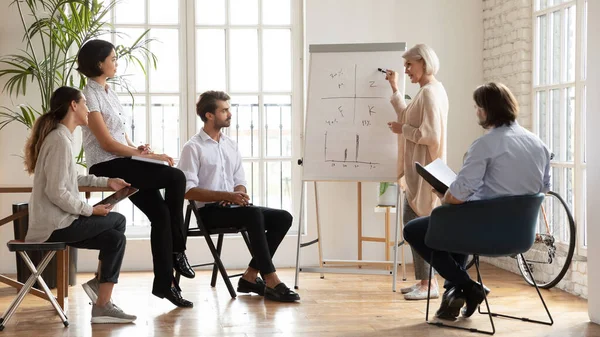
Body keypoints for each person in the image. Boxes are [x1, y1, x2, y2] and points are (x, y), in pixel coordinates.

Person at [403, 82, 551, 320]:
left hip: (484, 233)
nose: (476, 112)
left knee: (414, 230)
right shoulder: (539, 144)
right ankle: (454, 293)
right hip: (520, 235)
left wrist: (445, 195)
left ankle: (469, 287)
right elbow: (542, 189)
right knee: (454, 223)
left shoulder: (485, 145)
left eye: (477, 107)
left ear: (486, 110)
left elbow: (459, 195)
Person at [77, 39, 194, 308]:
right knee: (175, 176)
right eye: (113, 59)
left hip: (123, 160)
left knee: (161, 215)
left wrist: (138, 148)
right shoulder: (89, 95)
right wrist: (147, 156)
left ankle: (165, 285)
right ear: (99, 63)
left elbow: (121, 139)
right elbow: (106, 144)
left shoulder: (110, 93)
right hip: (106, 164)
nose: (117, 63)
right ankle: (178, 249)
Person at [24, 86, 137, 324]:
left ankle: (102, 302)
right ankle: (101, 293)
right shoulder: (59, 140)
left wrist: (108, 182)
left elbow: (72, 180)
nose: (88, 109)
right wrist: (91, 210)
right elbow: (56, 192)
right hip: (55, 225)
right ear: (73, 105)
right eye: (84, 103)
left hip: (61, 221)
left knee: (115, 238)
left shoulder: (61, 137)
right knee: (117, 220)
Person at [177, 91, 300, 302]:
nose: (229, 114)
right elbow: (187, 190)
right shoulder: (193, 147)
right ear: (209, 115)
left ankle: (250, 276)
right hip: (209, 212)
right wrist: (226, 195)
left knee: (283, 217)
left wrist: (238, 195)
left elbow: (239, 181)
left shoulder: (230, 145)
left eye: (228, 109)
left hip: (234, 208)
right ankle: (271, 279)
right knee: (253, 215)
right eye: (223, 110)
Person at [385, 43, 449, 300]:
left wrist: (404, 131)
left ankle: (429, 284)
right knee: (414, 226)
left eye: (410, 64)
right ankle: (425, 281)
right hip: (419, 172)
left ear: (424, 62)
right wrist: (395, 89)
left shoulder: (430, 93)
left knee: (416, 228)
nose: (407, 70)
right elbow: (409, 116)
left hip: (425, 173)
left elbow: (431, 135)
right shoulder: (427, 91)